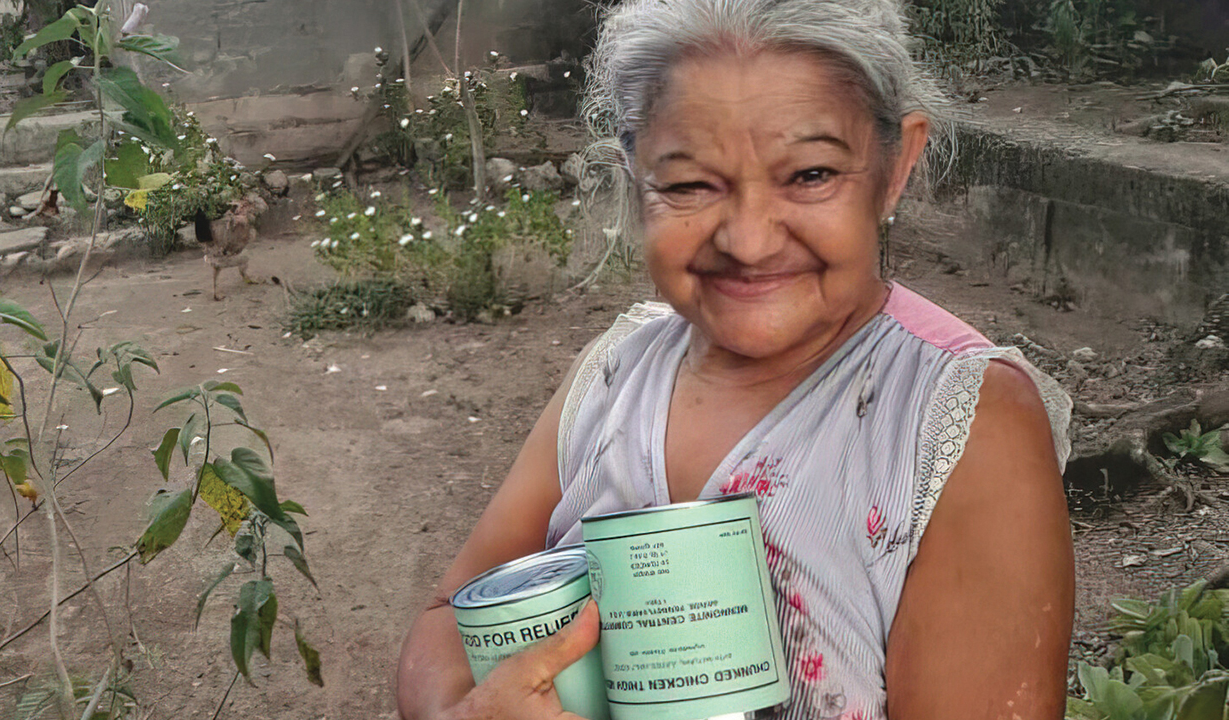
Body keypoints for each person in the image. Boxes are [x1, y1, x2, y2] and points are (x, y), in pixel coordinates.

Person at [397, 0, 1075, 718]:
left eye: (811, 175)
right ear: (634, 173)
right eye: (690, 184)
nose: (749, 242)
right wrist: (454, 711)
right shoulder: (614, 376)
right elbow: (450, 614)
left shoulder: (959, 424)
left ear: (895, 165)